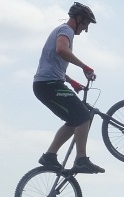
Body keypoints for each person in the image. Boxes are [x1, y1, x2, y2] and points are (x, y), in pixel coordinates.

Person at [33, 2, 104, 174]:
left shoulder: (62, 31)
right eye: (86, 24)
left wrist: (71, 81)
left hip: (47, 84)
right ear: (78, 19)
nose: (85, 29)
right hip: (48, 85)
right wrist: (84, 67)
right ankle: (81, 159)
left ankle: (49, 156)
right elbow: (61, 50)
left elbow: (53, 63)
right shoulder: (66, 31)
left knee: (75, 121)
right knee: (83, 116)